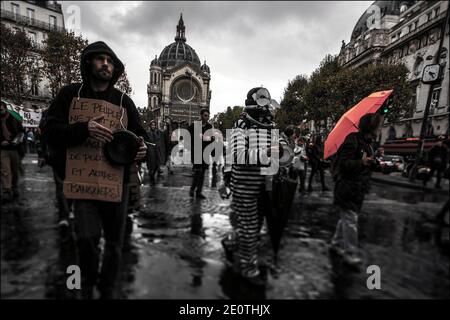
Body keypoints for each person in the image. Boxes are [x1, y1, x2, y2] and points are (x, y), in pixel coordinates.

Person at [42, 41, 148, 299]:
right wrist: (83, 129)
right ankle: (86, 284)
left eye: (110, 61)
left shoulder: (124, 101)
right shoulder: (70, 94)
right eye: (100, 59)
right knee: (86, 239)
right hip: (83, 182)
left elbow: (142, 137)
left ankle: (108, 288)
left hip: (116, 184)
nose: (105, 64)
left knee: (114, 243)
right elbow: (50, 130)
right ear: (89, 62)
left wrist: (142, 149)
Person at [222, 87, 277, 286]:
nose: (267, 108)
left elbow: (274, 155)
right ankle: (248, 268)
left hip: (262, 186)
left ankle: (231, 244)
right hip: (244, 185)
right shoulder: (240, 125)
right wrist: (266, 154)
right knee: (250, 228)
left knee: (252, 228)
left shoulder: (267, 126)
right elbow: (237, 155)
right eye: (263, 101)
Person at [330, 113, 383, 268]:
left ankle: (336, 243)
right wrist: (362, 162)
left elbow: (369, 166)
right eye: (378, 126)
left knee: (347, 217)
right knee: (351, 219)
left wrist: (375, 161)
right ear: (371, 127)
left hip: (358, 187)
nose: (380, 129)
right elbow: (344, 164)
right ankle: (350, 253)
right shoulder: (352, 139)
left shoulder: (369, 144)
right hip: (347, 187)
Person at [1, 100, 25, 202]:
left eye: (1, 109)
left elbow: (21, 133)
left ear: (5, 109)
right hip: (2, 149)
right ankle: (7, 190)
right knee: (5, 170)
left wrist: (11, 142)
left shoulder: (13, 119)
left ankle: (14, 187)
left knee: (15, 170)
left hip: (14, 149)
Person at [188, 108, 213, 199]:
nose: (207, 117)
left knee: (203, 173)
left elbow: (212, 138)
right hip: (196, 151)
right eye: (205, 115)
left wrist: (206, 138)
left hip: (205, 152)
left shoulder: (209, 126)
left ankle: (199, 192)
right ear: (201, 115)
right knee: (198, 171)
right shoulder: (194, 125)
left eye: (208, 116)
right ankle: (192, 189)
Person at [146, 120, 162, 185]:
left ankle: (152, 176)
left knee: (157, 165)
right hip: (150, 151)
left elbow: (158, 141)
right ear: (150, 126)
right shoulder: (148, 133)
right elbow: (146, 141)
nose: (153, 126)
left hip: (156, 151)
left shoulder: (157, 132)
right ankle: (151, 179)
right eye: (152, 125)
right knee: (151, 166)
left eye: (154, 125)